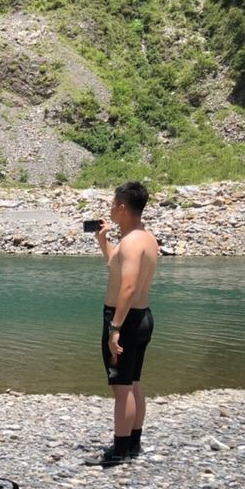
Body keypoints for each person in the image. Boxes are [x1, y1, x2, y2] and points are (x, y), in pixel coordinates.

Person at [84, 181, 159, 467]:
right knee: (134, 382)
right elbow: (117, 267)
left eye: (113, 205)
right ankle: (133, 444)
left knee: (121, 388)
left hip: (124, 321)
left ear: (123, 208)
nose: (111, 209)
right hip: (142, 317)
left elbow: (127, 288)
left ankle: (118, 451)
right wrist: (103, 241)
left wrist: (114, 329)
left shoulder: (130, 244)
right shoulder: (146, 238)